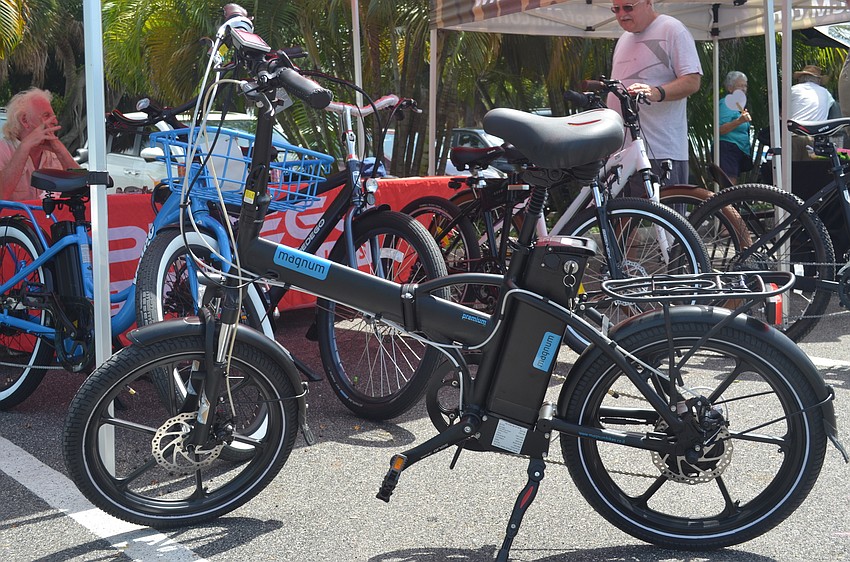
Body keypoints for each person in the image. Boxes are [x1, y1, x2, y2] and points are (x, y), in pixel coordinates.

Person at [609, 0, 702, 187]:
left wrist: (656, 92)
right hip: (622, 155)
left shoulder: (672, 29)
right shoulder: (623, 39)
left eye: (628, 7)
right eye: (616, 9)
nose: (621, 14)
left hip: (660, 153)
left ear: (648, 3)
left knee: (661, 216)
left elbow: (692, 80)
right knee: (620, 216)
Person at [0, 87, 77, 200]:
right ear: (25, 121)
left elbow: (88, 187)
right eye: (47, 116)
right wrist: (25, 147)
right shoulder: (3, 150)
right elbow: (2, 195)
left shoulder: (53, 154)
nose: (55, 121)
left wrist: (62, 152)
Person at [789, 65, 840, 160]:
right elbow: (834, 112)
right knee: (810, 171)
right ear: (818, 80)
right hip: (814, 138)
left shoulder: (792, 90)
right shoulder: (826, 93)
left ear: (800, 78)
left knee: (790, 172)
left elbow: (782, 114)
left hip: (793, 136)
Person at [718, 71, 752, 184]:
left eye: (745, 86)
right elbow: (720, 130)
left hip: (738, 150)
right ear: (730, 88)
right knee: (729, 185)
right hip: (728, 148)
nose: (743, 89)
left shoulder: (738, 105)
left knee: (733, 185)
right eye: (740, 86)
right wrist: (739, 121)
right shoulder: (727, 103)